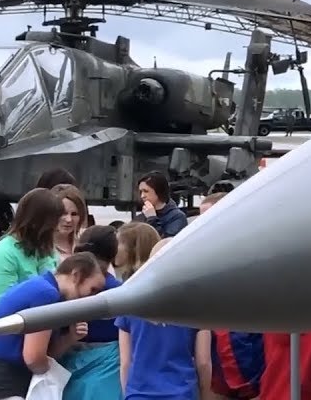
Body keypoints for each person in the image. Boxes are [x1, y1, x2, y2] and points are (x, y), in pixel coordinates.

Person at [0, 253, 106, 399]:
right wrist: (54, 378)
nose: (91, 298)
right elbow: (34, 359)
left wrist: (70, 338)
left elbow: (44, 354)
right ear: (76, 275)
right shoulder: (46, 294)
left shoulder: (42, 286)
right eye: (92, 290)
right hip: (4, 377)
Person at [116, 238, 212, 400]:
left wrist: (129, 393)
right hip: (181, 393)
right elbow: (203, 362)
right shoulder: (197, 305)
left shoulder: (129, 302)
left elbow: (125, 362)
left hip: (139, 393)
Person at [61, 225, 124, 400]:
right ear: (113, 254)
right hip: (108, 369)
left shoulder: (65, 286)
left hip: (67, 362)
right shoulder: (120, 292)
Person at [0, 187, 63, 304]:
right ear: (34, 222)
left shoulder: (47, 249)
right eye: (51, 226)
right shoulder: (2, 254)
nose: (56, 229)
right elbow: (3, 306)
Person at [136, 170, 189, 237]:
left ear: (159, 191)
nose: (142, 196)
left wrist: (152, 219)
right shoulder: (142, 216)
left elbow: (166, 240)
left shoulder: (177, 217)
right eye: (141, 192)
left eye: (146, 191)